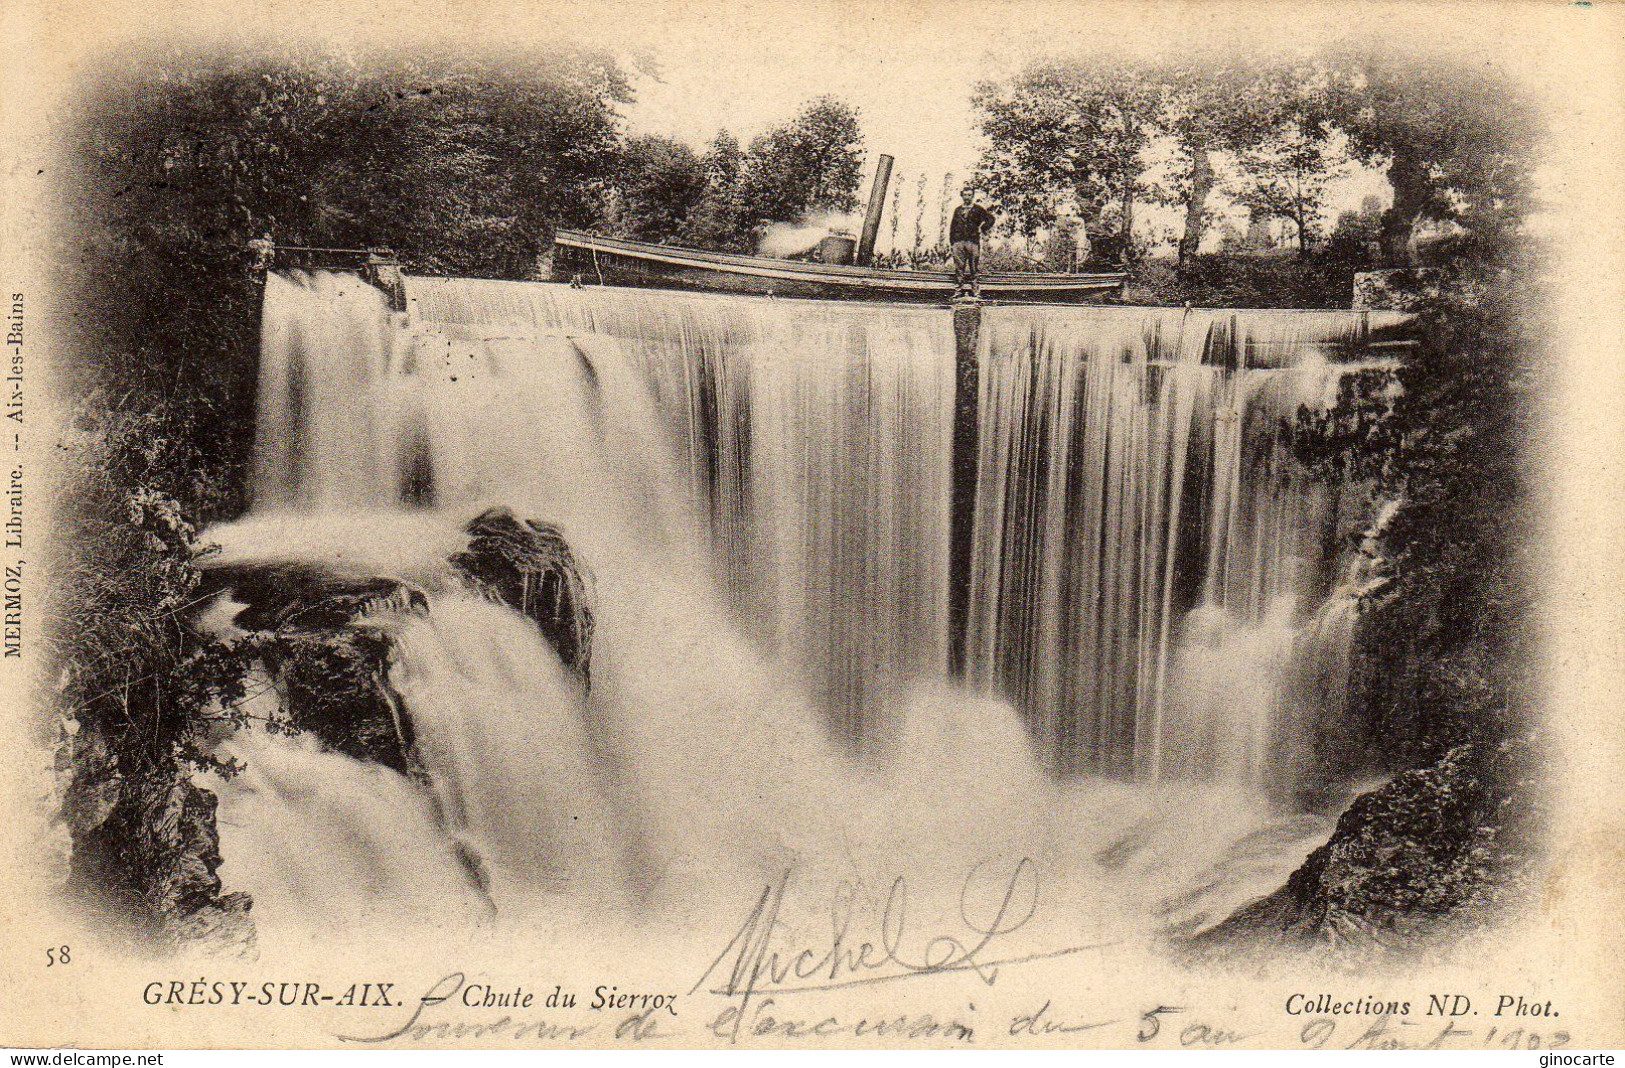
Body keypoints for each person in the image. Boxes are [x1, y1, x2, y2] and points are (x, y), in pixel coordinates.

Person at [949, 186, 995, 298]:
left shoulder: (978, 209)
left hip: (973, 242)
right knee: (959, 267)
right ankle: (958, 291)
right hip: (959, 242)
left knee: (974, 267)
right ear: (962, 195)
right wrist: (953, 242)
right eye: (965, 195)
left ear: (973, 196)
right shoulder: (958, 210)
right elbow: (952, 226)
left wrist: (982, 228)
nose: (967, 197)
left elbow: (991, 219)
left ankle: (975, 291)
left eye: (969, 195)